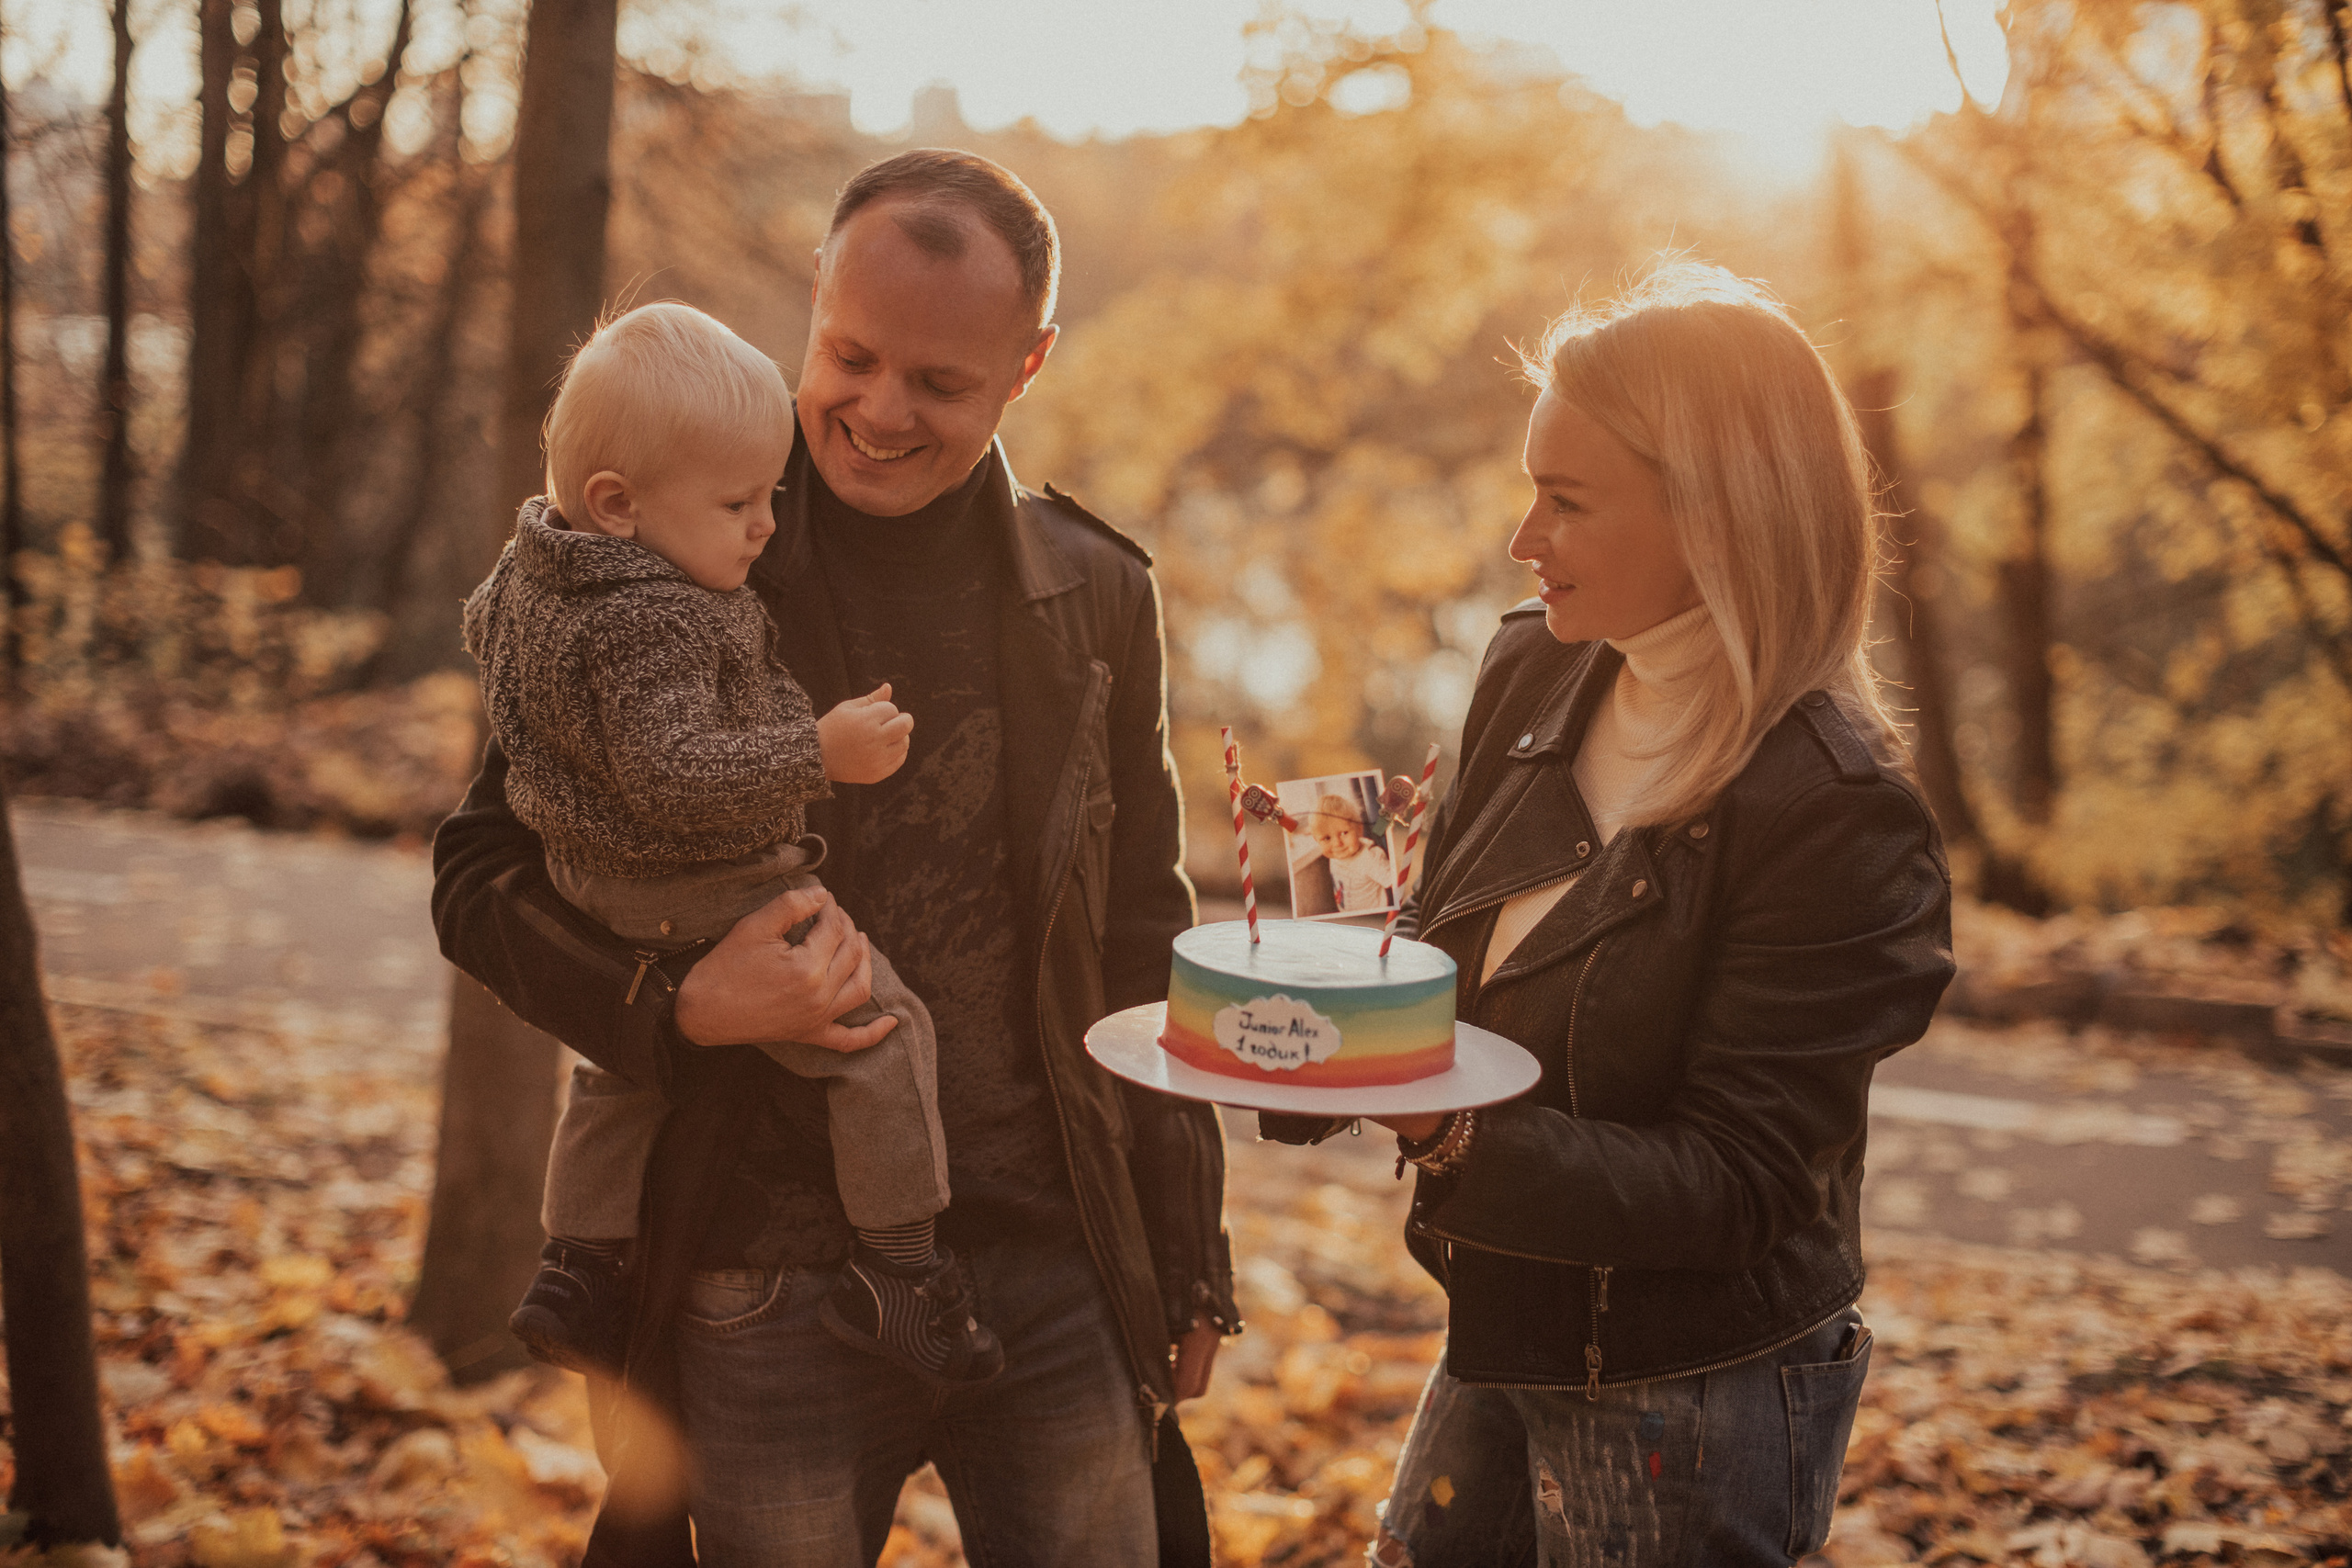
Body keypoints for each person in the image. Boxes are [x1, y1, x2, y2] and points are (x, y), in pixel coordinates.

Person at [434, 150, 1235, 1566]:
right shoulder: (664, 534)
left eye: (939, 382)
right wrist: (672, 1004)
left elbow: (1140, 931)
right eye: (851, 355)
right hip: (756, 1272)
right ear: (813, 297)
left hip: (1053, 1264)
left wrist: (1188, 1249)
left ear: (1029, 362)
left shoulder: (1095, 590)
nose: (877, 410)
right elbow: (482, 868)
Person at [1267, 262, 1954, 1565]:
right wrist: (1317, 947)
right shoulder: (1540, 658)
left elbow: (1742, 1182)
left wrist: (1445, 1120)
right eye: (1532, 486)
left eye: (1567, 501)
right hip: (1506, 1310)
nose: (1523, 539)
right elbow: (1447, 929)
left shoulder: (1833, 805)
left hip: (1695, 1381)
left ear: (1719, 515)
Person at [461, 299, 1002, 1391]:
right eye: (740, 504)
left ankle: (578, 1262)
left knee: (624, 1074)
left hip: (595, 883)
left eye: (768, 495)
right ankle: (902, 1275)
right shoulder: (658, 614)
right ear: (617, 506)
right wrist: (819, 750)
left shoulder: (530, 576)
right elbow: (674, 773)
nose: (766, 524)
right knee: (882, 1034)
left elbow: (497, 667)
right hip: (699, 879)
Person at [1307, 791, 1393, 911]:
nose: (1337, 844)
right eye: (1327, 838)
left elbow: (1397, 883)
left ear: (1359, 829)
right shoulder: (1335, 855)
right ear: (1317, 840)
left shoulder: (1370, 858)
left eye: (1344, 833)